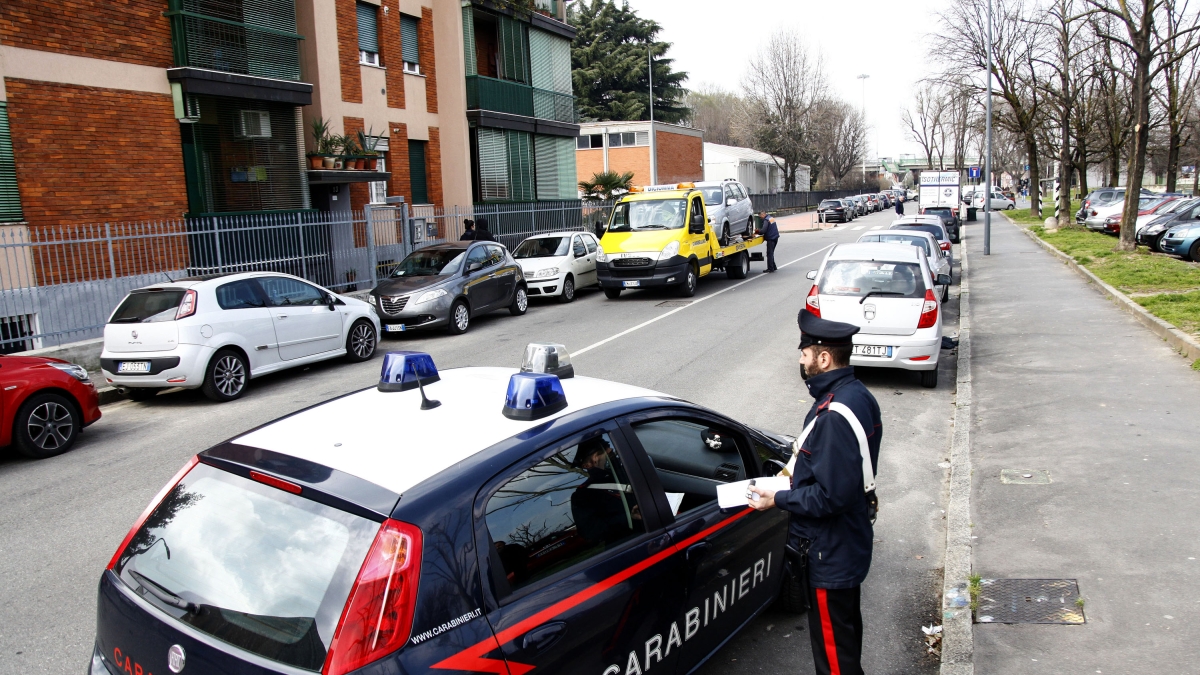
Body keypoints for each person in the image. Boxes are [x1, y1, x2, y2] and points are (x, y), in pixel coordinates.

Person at [748, 310, 882, 675]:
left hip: (830, 551)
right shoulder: (856, 395)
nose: (801, 360)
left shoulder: (835, 413)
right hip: (845, 544)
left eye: (804, 352)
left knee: (834, 658)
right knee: (844, 641)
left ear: (823, 358)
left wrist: (777, 498)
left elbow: (830, 497)